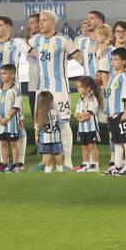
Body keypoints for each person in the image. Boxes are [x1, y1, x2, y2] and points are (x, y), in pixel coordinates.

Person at [29, 9, 82, 170]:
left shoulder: (63, 40)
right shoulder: (35, 39)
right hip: (41, 89)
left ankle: (67, 161)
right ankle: (44, 161)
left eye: (44, 20)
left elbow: (78, 56)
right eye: (40, 20)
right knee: (40, 124)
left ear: (52, 22)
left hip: (59, 89)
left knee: (63, 123)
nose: (40, 23)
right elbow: (28, 51)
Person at [0, 15, 29, 167]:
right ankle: (3, 162)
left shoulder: (17, 43)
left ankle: (19, 162)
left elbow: (32, 52)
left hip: (13, 92)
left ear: (8, 27)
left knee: (19, 125)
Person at [103, 47, 126, 174]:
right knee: (116, 141)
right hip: (113, 114)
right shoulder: (112, 77)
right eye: (111, 59)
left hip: (121, 113)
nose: (112, 62)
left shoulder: (124, 77)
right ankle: (117, 165)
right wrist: (108, 113)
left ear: (124, 61)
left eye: (116, 59)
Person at [0, 64, 23, 173]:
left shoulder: (15, 90)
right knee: (3, 143)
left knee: (13, 143)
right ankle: (5, 163)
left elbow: (16, 106)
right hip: (0, 123)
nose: (2, 76)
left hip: (11, 122)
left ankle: (15, 164)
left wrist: (8, 118)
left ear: (12, 74)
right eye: (1, 74)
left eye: (4, 73)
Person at [73, 75, 102, 172]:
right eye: (78, 87)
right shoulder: (80, 100)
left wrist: (81, 117)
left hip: (91, 128)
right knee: (84, 146)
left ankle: (94, 165)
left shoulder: (93, 100)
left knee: (92, 146)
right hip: (82, 129)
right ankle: (86, 164)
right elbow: (76, 114)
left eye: (80, 87)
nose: (78, 89)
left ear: (88, 88)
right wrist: (80, 116)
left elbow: (88, 114)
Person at [34, 90, 64, 173]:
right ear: (50, 101)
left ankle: (48, 168)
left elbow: (37, 127)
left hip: (45, 138)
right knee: (57, 153)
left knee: (47, 153)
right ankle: (60, 168)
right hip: (56, 137)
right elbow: (59, 121)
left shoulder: (40, 113)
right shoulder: (55, 111)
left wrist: (36, 137)